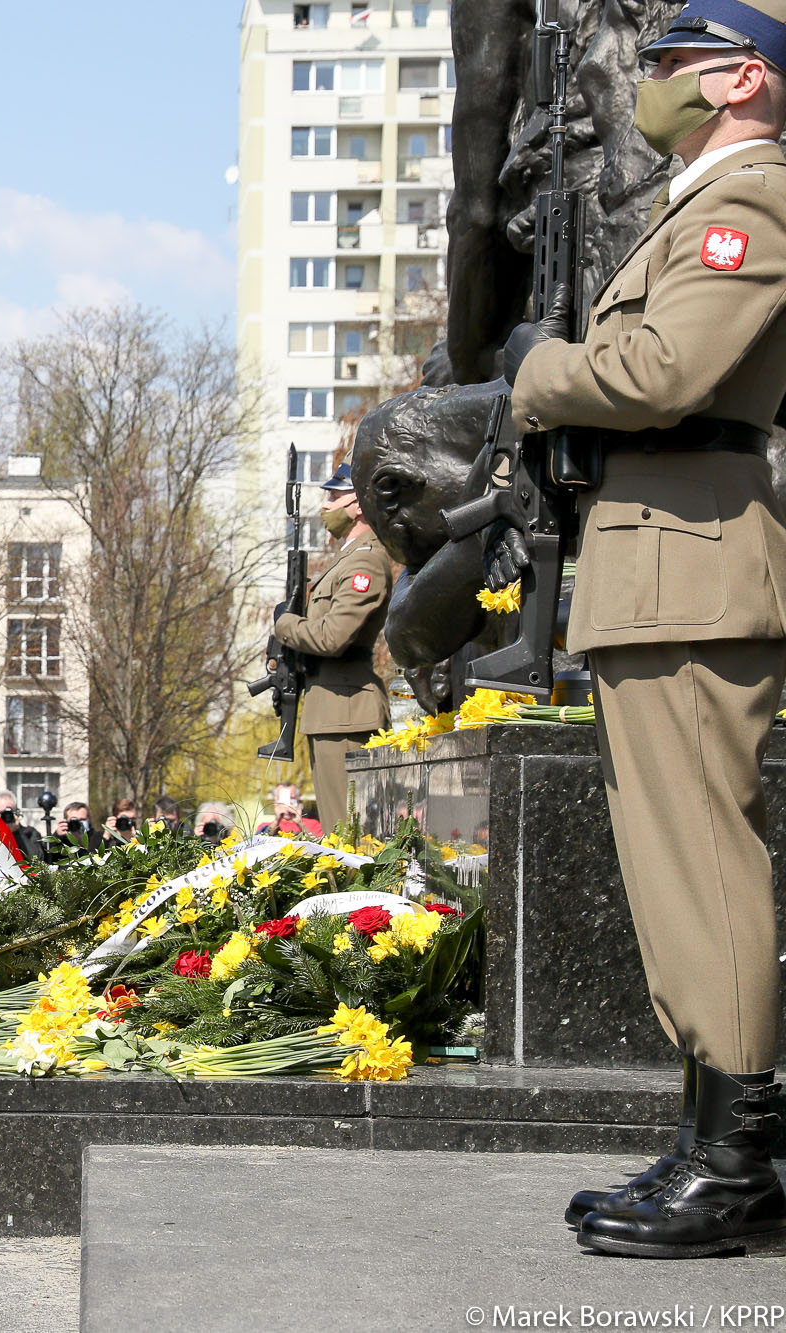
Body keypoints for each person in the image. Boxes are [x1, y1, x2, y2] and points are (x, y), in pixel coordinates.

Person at [498, 4, 786, 1259]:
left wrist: (534, 369)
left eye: (670, 66)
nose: (648, 83)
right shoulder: (698, 199)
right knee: (675, 871)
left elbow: (663, 373)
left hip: (691, 566)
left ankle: (732, 1165)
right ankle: (709, 1142)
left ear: (740, 79)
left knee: (700, 867)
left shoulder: (755, 198)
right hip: (658, 561)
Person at [270, 463, 391, 833]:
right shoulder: (347, 558)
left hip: (347, 710)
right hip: (331, 707)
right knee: (337, 830)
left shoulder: (365, 561)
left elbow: (332, 637)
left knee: (347, 832)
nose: (326, 505)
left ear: (358, 506)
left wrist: (285, 624)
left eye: (334, 496)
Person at [257, 783, 323, 840]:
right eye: (281, 799)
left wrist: (300, 823)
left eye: (291, 799)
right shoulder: (265, 826)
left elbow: (320, 844)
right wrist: (276, 821)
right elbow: (260, 842)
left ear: (298, 801)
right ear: (274, 802)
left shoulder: (313, 824)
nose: (287, 804)